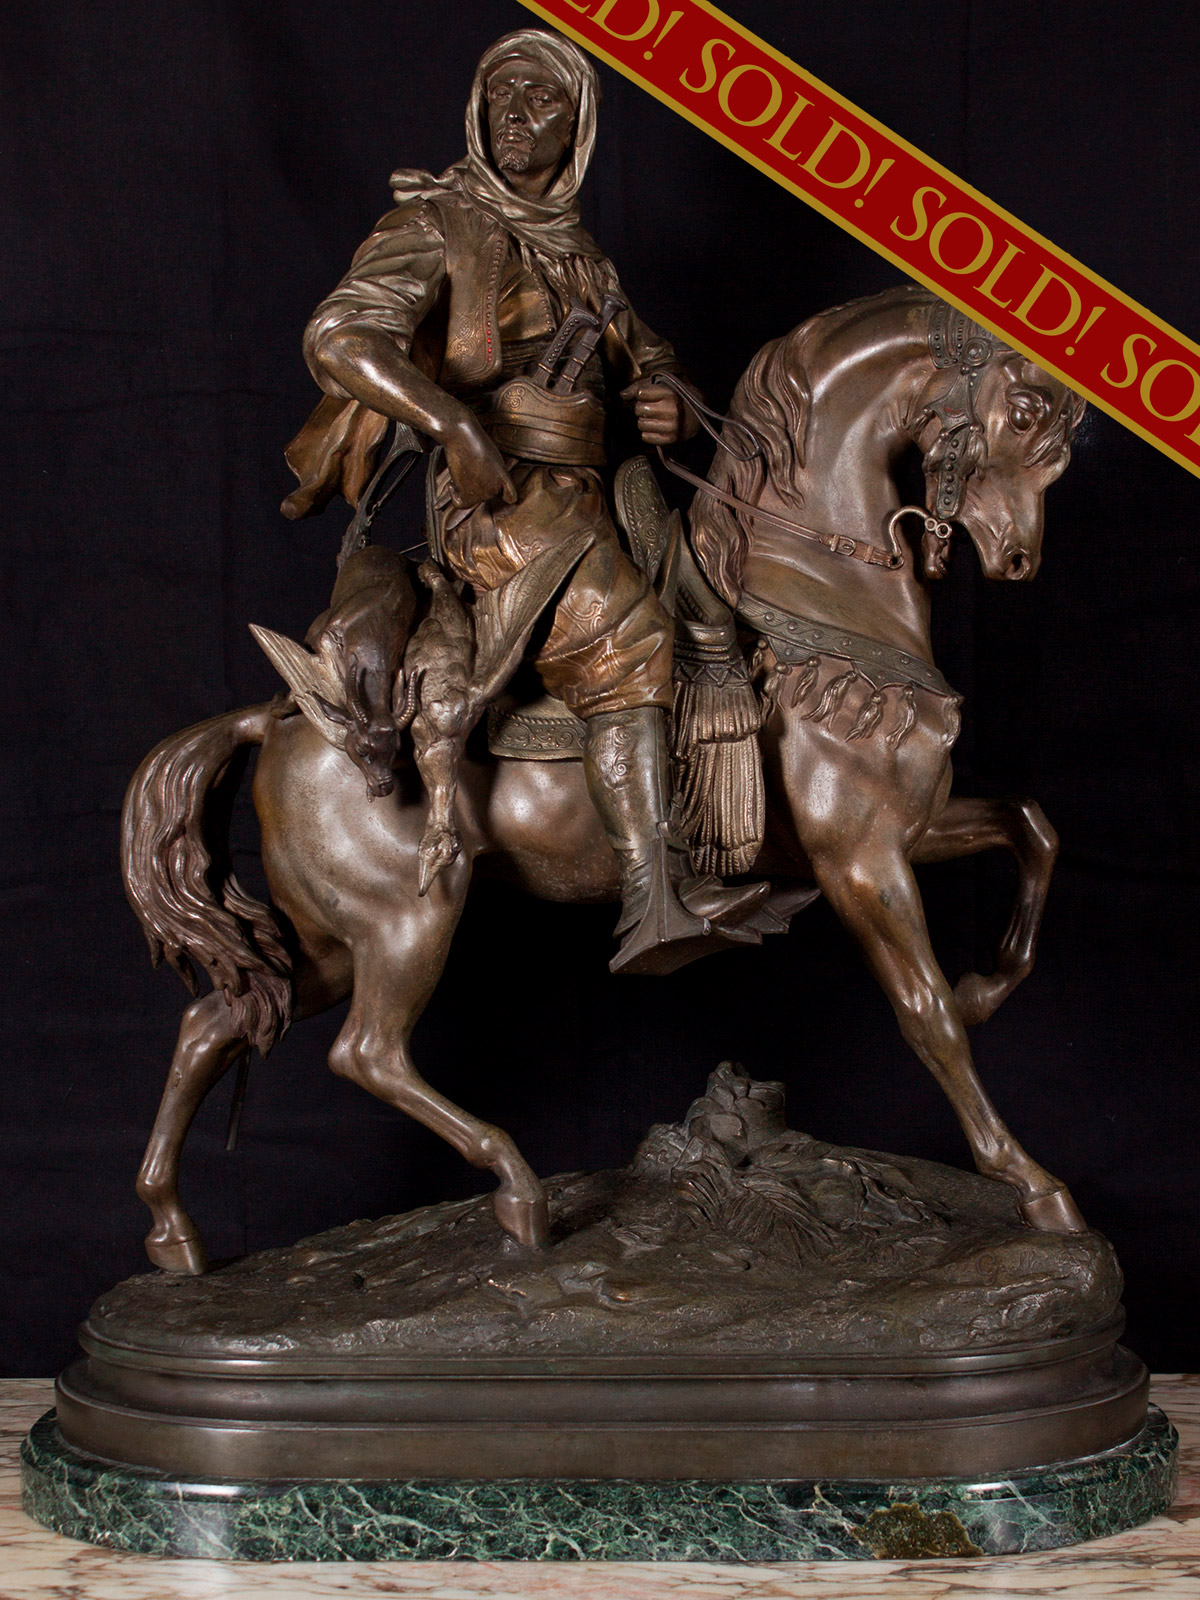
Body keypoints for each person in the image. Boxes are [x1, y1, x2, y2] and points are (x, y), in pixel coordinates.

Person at [282, 28, 764, 973]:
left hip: (598, 487)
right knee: (630, 636)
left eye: (540, 99)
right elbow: (339, 335)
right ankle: (653, 899)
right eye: (499, 95)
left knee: (724, 597)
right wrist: (452, 426)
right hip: (499, 494)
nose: (514, 114)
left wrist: (663, 397)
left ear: (577, 129)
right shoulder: (439, 222)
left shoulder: (583, 255)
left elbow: (645, 355)